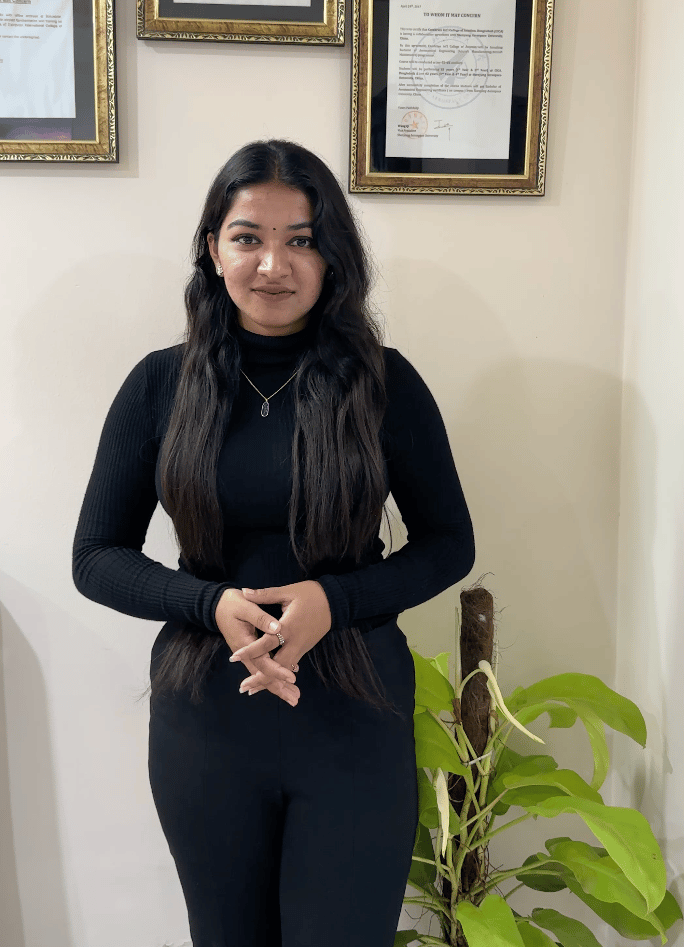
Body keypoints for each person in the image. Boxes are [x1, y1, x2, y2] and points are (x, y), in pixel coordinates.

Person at [72, 139, 475, 947]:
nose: (273, 265)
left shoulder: (385, 382)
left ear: (334, 257)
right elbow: (96, 556)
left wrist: (336, 600)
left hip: (355, 713)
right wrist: (208, 603)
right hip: (207, 718)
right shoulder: (160, 384)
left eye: (302, 240)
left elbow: (448, 543)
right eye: (248, 237)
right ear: (212, 248)